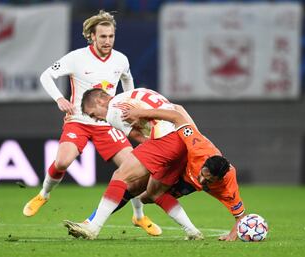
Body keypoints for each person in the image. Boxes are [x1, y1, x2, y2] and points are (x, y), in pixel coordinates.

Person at [22, 10, 161, 236]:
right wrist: (59, 99)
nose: (107, 41)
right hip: (79, 120)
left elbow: (128, 81)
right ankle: (43, 195)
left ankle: (139, 216)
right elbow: (45, 76)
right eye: (103, 36)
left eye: (111, 36)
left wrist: (133, 107)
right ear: (92, 37)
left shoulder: (121, 59)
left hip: (108, 124)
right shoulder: (76, 57)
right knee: (63, 161)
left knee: (133, 169)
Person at [63, 88, 204, 240]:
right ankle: (193, 232)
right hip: (184, 138)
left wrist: (159, 152)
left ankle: (93, 228)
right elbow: (178, 109)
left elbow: (139, 137)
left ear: (100, 101)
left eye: (92, 114)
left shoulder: (113, 110)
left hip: (166, 140)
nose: (96, 119)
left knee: (120, 175)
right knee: (153, 192)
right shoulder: (138, 92)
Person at [121, 104, 247, 241]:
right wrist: (141, 112)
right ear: (205, 163)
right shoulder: (198, 148)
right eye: (203, 174)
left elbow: (240, 216)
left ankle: (138, 215)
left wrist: (233, 235)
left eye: (209, 181)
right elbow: (176, 117)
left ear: (219, 179)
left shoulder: (227, 185)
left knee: (147, 198)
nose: (203, 181)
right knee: (177, 108)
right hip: (183, 160)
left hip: (188, 182)